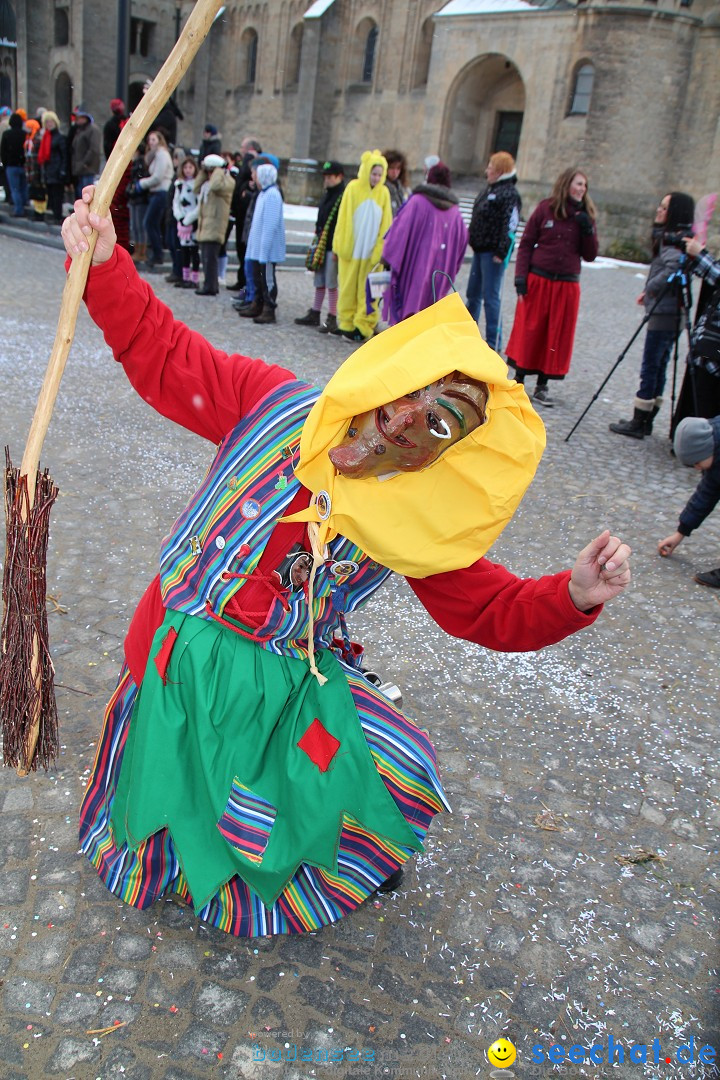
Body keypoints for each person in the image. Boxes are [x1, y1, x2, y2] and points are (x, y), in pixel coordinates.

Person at [63, 186, 631, 939]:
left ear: (445, 452)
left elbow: (486, 607)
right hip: (172, 658)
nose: (404, 421)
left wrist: (573, 594)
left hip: (277, 694)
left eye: (438, 422)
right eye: (409, 395)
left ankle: (322, 846)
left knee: (370, 769)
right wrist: (107, 264)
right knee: (165, 788)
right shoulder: (275, 403)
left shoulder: (413, 519)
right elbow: (170, 358)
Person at [506, 167, 599, 407]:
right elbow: (526, 243)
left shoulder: (585, 216)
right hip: (539, 280)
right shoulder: (545, 209)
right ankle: (519, 378)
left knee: (555, 333)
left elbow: (590, 255)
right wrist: (521, 277)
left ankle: (543, 384)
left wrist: (587, 229)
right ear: (566, 184)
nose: (582, 189)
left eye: (584, 186)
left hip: (566, 284)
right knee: (530, 329)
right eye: (578, 184)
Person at [609, 192, 695, 440]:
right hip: (671, 312)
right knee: (659, 364)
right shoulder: (677, 239)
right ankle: (645, 418)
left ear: (674, 213)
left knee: (651, 365)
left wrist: (650, 290)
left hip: (663, 312)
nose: (659, 210)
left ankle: (640, 420)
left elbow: (672, 269)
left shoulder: (672, 242)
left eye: (664, 207)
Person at [380, 160, 468, 326]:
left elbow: (398, 232)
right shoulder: (455, 214)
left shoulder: (417, 202)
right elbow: (461, 246)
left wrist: (388, 257)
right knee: (427, 317)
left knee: (407, 314)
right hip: (438, 279)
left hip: (412, 274)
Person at [333, 149, 393, 342]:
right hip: (354, 249)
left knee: (369, 292)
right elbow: (344, 217)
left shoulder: (383, 193)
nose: (376, 178)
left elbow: (386, 223)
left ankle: (364, 325)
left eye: (379, 174)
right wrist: (342, 244)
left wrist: (382, 249)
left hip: (370, 253)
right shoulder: (353, 188)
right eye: (373, 173)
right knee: (348, 287)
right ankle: (346, 323)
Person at [465, 151, 522, 351]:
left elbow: (510, 224)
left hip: (493, 253)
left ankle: (493, 343)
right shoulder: (490, 189)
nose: (487, 170)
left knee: (491, 297)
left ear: (499, 170)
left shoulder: (509, 194)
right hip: (480, 250)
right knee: (473, 294)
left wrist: (502, 250)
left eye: (490, 167)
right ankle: (468, 336)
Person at [658, 416, 720, 588]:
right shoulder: (715, 449)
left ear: (706, 451)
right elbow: (705, 495)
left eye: (697, 463)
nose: (696, 468)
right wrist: (680, 532)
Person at [671, 236, 720, 432]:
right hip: (708, 343)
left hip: (714, 350)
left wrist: (701, 255)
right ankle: (686, 438)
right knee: (697, 392)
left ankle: (703, 448)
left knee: (707, 402)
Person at [295, 160, 345, 333]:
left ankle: (332, 317)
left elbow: (342, 223)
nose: (327, 180)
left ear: (339, 177)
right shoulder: (328, 194)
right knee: (320, 280)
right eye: (325, 176)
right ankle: (315, 312)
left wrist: (337, 248)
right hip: (323, 243)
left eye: (330, 176)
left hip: (332, 245)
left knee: (331, 282)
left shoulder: (342, 195)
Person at [245, 159, 286, 323]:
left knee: (267, 279)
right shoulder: (263, 194)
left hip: (267, 251)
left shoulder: (272, 195)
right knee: (258, 277)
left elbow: (269, 225)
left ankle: (269, 308)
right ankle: (259, 304)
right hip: (258, 249)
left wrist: (264, 250)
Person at [193, 152, 235, 296]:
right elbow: (195, 188)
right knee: (205, 258)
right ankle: (209, 284)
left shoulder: (227, 181)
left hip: (215, 225)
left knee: (211, 258)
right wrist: (204, 172)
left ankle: (211, 286)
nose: (210, 173)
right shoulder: (208, 183)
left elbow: (216, 186)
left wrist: (218, 170)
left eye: (212, 170)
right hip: (205, 225)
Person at [227, 136, 261, 294]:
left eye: (243, 148)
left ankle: (247, 285)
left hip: (247, 214)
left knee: (245, 248)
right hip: (242, 213)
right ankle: (243, 281)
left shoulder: (254, 161)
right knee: (242, 248)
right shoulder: (248, 163)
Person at [137, 129, 174, 271]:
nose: (151, 142)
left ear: (159, 140)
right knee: (152, 223)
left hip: (161, 191)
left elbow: (158, 176)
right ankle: (156, 253)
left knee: (149, 222)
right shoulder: (154, 155)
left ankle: (157, 254)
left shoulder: (162, 155)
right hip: (155, 192)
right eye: (149, 140)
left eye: (154, 139)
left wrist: (142, 184)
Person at [172, 155, 201, 289]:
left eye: (190, 167)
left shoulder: (197, 184)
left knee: (194, 251)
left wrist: (190, 218)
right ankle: (185, 277)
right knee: (184, 251)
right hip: (182, 222)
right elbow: (176, 202)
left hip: (193, 221)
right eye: (185, 167)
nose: (188, 170)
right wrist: (180, 217)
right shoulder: (179, 185)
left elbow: (199, 204)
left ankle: (194, 279)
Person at [38, 110, 67, 224]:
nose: (49, 124)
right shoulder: (46, 137)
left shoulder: (59, 137)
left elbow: (64, 155)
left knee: (57, 195)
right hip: (49, 170)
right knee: (51, 194)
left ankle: (58, 216)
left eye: (51, 122)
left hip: (57, 170)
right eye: (47, 122)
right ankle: (55, 215)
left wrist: (63, 170)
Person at [70, 107, 101, 198]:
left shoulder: (92, 130)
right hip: (81, 169)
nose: (76, 120)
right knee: (80, 194)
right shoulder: (81, 130)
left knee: (87, 195)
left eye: (79, 118)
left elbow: (93, 149)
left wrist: (85, 163)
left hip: (87, 169)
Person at [0, 112, 27, 216]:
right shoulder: (24, 134)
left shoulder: (7, 134)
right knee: (23, 187)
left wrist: (5, 163)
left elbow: (3, 151)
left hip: (11, 165)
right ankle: (24, 205)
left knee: (14, 188)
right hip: (22, 164)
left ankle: (19, 209)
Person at [382, 149, 410, 218]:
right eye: (392, 168)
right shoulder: (381, 188)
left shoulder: (404, 189)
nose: (395, 172)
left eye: (398, 169)